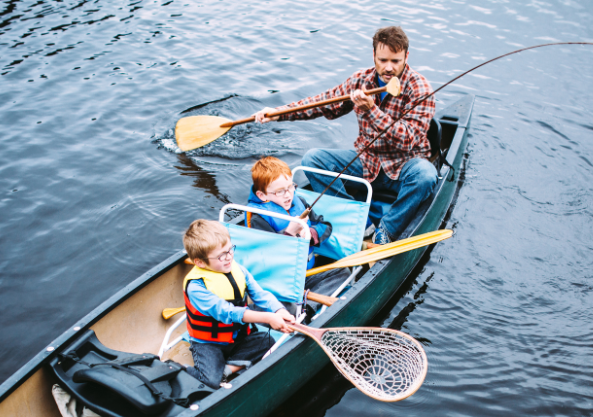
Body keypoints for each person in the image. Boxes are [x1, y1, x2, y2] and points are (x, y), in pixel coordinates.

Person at [254, 26, 436, 245]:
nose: (388, 67)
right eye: (383, 60)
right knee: (313, 159)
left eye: (395, 61)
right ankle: (359, 223)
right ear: (374, 56)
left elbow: (407, 141)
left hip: (404, 167)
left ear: (406, 57)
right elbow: (324, 103)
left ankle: (386, 230)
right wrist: (279, 114)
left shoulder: (420, 88)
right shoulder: (361, 80)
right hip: (367, 162)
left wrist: (372, 110)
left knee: (426, 174)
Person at [182, 219, 295, 389]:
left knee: (268, 341)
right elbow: (228, 313)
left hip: (238, 336)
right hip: (209, 343)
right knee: (210, 381)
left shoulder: (237, 268)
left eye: (230, 250)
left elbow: (260, 294)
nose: (229, 257)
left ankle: (226, 371)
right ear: (200, 262)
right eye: (221, 255)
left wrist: (279, 310)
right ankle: (179, 369)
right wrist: (267, 317)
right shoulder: (196, 287)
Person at [245, 156, 350, 311]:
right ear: (262, 195)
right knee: (282, 302)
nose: (288, 195)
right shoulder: (258, 217)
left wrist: (311, 233)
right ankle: (301, 308)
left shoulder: (299, 201)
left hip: (307, 273)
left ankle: (308, 307)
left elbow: (324, 225)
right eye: (280, 191)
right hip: (281, 281)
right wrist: (289, 233)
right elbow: (265, 254)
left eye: (290, 187)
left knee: (343, 271)